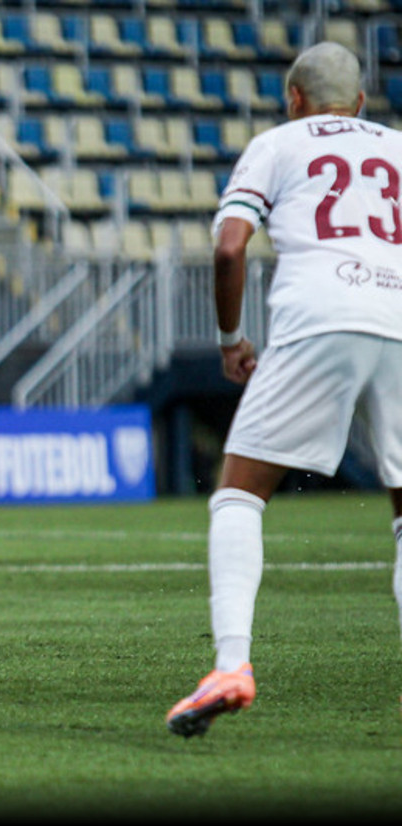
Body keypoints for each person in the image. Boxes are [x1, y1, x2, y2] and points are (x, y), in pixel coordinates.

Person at [166, 42, 402, 737]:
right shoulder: (397, 146)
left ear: (293, 98)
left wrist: (233, 339)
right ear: (361, 103)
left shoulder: (278, 143)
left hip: (318, 316)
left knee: (240, 489)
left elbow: (230, 246)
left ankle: (232, 665)